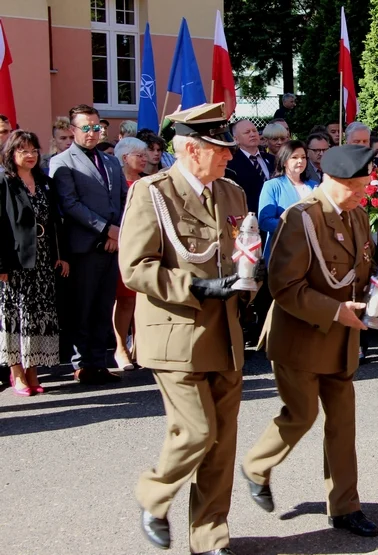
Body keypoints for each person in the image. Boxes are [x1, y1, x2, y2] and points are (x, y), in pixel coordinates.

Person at [120, 102, 247, 555]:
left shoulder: (232, 193)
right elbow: (135, 267)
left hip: (225, 334)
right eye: (221, 148)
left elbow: (239, 252)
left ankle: (210, 537)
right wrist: (197, 286)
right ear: (193, 150)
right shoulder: (152, 193)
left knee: (221, 443)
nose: (229, 155)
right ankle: (154, 495)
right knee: (196, 431)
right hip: (176, 334)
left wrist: (247, 279)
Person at [242, 145, 378, 538]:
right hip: (301, 337)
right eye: (356, 187)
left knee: (343, 424)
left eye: (365, 186)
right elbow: (283, 286)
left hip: (342, 339)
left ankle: (345, 506)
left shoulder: (357, 215)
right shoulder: (301, 217)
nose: (363, 194)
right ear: (333, 181)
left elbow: (360, 270)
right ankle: (256, 465)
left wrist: (377, 292)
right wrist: (337, 310)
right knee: (301, 415)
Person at [51, 104, 127, 385]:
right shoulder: (63, 162)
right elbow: (70, 205)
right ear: (73, 130)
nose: (93, 133)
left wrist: (117, 232)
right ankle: (81, 363)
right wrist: (106, 230)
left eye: (96, 127)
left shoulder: (110, 162)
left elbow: (122, 199)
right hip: (84, 247)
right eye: (86, 128)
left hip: (112, 244)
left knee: (104, 306)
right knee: (81, 308)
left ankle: (99, 361)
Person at [0, 131, 69, 396]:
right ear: (12, 153)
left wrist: (61, 255)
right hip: (15, 261)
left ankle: (33, 369)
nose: (30, 155)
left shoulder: (44, 182)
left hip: (43, 260)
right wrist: (1, 265)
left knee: (38, 315)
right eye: (23, 150)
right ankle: (16, 372)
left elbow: (55, 221)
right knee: (16, 314)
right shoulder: (5, 181)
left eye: (33, 150)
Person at [111, 137, 148, 371]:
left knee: (142, 299)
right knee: (125, 300)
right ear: (125, 158)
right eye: (140, 155)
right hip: (124, 245)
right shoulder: (116, 183)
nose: (145, 159)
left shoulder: (148, 183)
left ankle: (140, 345)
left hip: (147, 245)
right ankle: (120, 347)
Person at [259, 140, 317, 263]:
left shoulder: (314, 186)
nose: (300, 161)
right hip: (283, 253)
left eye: (303, 157)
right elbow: (264, 221)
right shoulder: (272, 185)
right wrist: (294, 225)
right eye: (294, 157)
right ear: (284, 161)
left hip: (312, 251)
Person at [226, 119, 276, 215]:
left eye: (254, 131)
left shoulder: (272, 159)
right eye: (247, 132)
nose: (252, 134)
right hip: (250, 218)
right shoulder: (231, 165)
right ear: (236, 139)